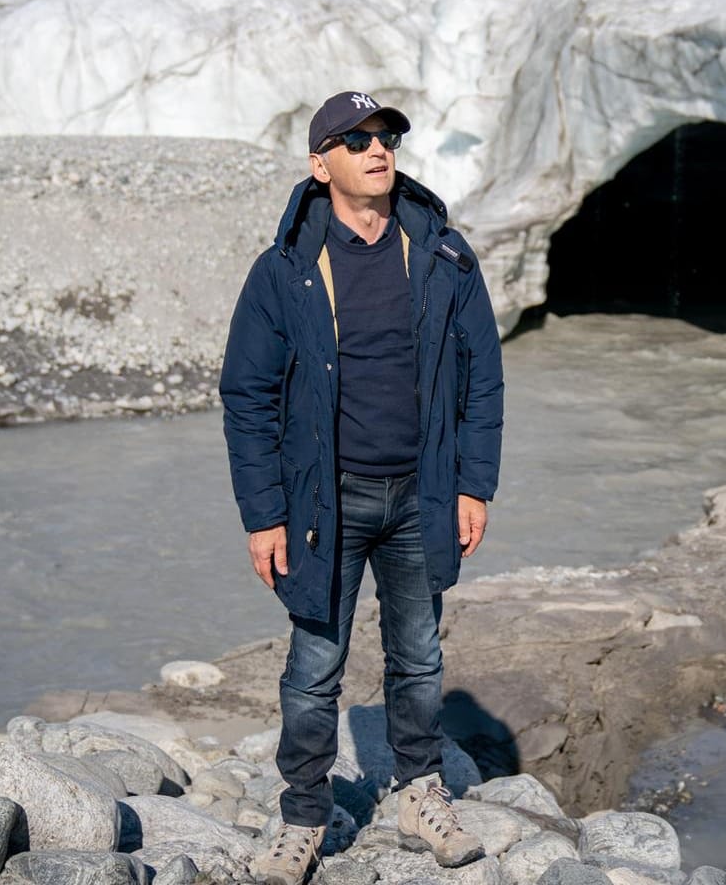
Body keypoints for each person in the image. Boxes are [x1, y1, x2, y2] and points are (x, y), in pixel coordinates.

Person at [220, 90, 505, 883]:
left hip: (423, 493)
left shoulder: (443, 255)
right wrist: (263, 513)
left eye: (386, 136)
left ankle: (419, 791)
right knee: (315, 665)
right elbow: (245, 395)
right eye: (356, 140)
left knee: (418, 656)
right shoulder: (284, 271)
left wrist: (474, 485)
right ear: (322, 165)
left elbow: (483, 377)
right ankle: (305, 817)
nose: (377, 149)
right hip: (324, 502)